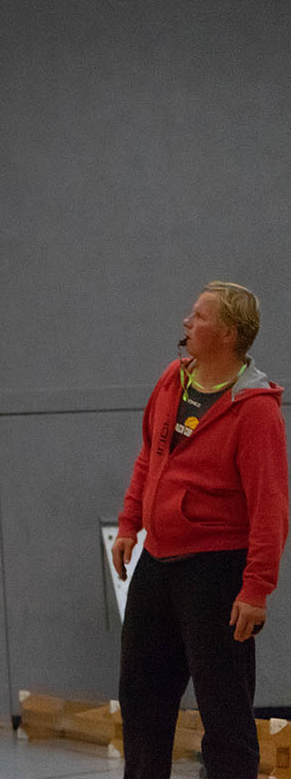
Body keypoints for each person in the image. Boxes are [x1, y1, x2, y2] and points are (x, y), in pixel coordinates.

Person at [112, 281, 289, 779]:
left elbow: (271, 507)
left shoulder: (255, 410)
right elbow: (150, 456)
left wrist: (256, 588)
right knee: (141, 699)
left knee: (224, 711)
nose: (187, 322)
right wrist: (130, 523)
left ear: (228, 334)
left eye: (199, 316)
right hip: (157, 563)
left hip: (217, 572)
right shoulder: (174, 380)